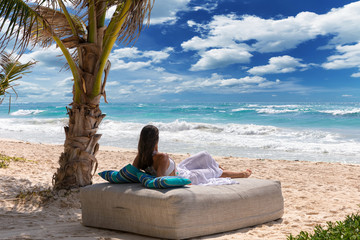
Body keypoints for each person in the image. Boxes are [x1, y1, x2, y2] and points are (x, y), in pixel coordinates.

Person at [132, 125, 252, 185]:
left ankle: (222, 168)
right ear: (156, 140)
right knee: (214, 172)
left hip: (180, 169)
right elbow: (160, 180)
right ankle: (243, 174)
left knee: (204, 155)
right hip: (189, 177)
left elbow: (132, 173)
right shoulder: (162, 157)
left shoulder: (141, 156)